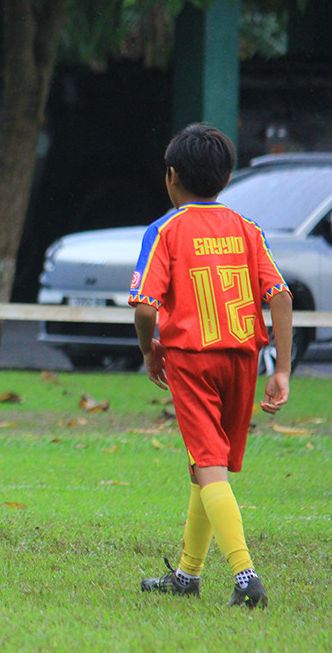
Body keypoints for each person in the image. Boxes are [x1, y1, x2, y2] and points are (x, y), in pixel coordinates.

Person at [130, 123, 292, 610]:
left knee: (209, 467)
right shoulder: (247, 228)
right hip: (243, 360)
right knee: (208, 466)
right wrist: (281, 368)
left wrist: (148, 349)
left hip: (192, 360)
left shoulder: (166, 230)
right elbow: (279, 296)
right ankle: (187, 575)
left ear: (171, 177)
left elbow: (143, 307)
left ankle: (245, 575)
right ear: (226, 177)